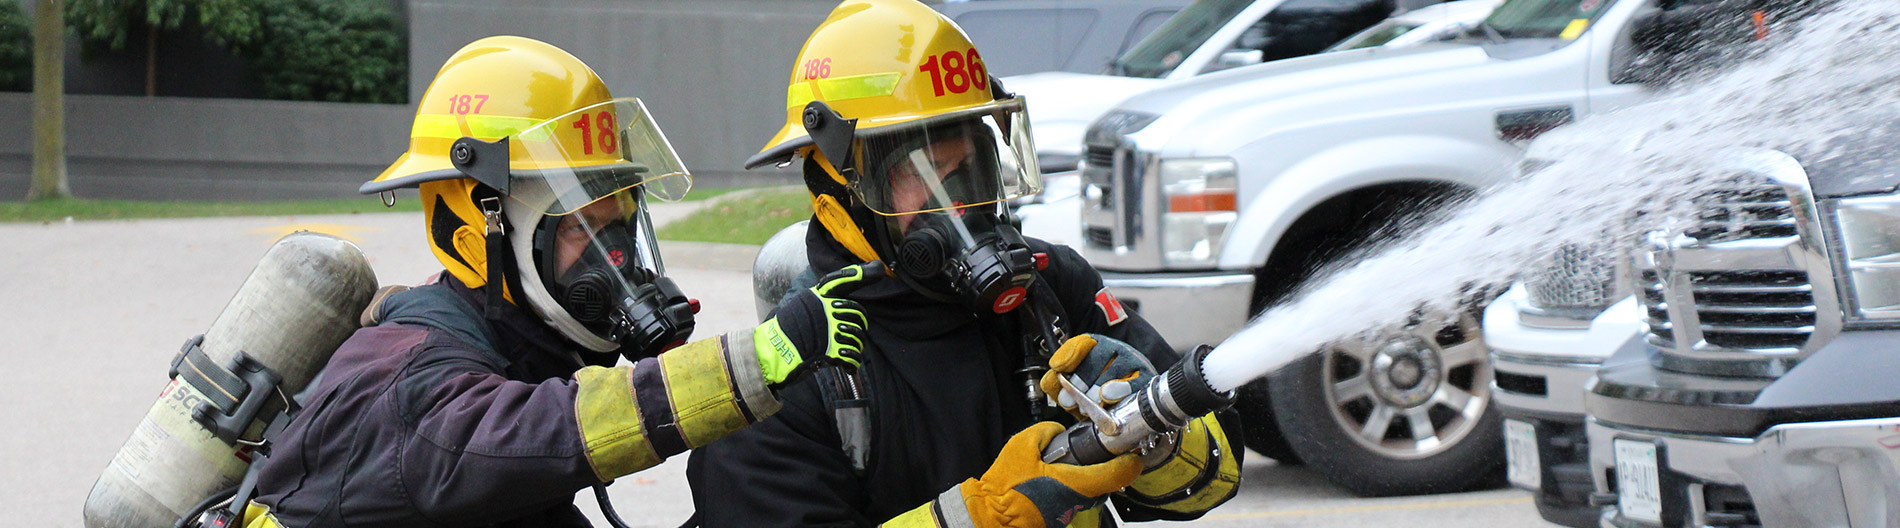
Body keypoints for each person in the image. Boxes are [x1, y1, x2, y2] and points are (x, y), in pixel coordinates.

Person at [239, 36, 882, 528]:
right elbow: (540, 431)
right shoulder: (410, 379)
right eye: (582, 227)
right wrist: (749, 364)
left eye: (622, 226)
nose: (619, 261)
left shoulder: (516, 350)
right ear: (472, 235)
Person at [685, 2, 1242, 527]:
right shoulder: (780, 387)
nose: (957, 204)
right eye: (917, 173)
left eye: (970, 167)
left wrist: (1155, 429)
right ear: (834, 194)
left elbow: (1219, 471)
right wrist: (982, 517)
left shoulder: (1054, 292)